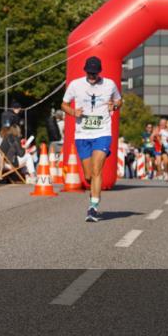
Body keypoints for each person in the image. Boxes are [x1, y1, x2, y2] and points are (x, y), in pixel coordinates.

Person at [61, 56, 121, 222]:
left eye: (95, 73)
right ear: (85, 71)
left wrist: (115, 106)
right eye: (89, 73)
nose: (92, 76)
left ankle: (93, 207)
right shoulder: (75, 85)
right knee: (88, 176)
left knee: (96, 170)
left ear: (99, 72)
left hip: (102, 132)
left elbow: (119, 100)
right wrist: (73, 112)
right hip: (82, 134)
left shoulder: (109, 84)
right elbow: (64, 104)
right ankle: (93, 193)